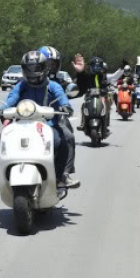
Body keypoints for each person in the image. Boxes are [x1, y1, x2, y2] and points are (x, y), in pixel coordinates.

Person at [0, 51, 80, 189]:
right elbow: (12, 98)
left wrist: (66, 106)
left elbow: (62, 97)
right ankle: (2, 174)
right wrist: (3, 109)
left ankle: (63, 176)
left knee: (64, 139)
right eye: (29, 68)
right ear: (23, 69)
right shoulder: (21, 85)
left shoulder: (53, 85)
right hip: (22, 124)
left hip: (49, 125)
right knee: (1, 138)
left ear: (44, 68)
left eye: (36, 68)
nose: (32, 72)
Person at [38, 46, 78, 183]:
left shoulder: (60, 83)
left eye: (53, 64)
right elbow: (14, 96)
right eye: (47, 63)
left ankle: (65, 173)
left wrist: (82, 73)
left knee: (68, 136)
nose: (50, 67)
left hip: (54, 120)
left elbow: (79, 90)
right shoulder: (27, 81)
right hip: (29, 119)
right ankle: (4, 172)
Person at [72, 54, 127, 137]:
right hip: (89, 97)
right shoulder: (87, 76)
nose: (96, 69)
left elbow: (114, 76)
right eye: (94, 66)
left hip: (102, 97)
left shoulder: (104, 76)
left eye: (98, 67)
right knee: (83, 106)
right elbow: (81, 81)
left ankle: (106, 123)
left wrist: (122, 68)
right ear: (90, 67)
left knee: (107, 105)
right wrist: (80, 72)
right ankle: (83, 123)